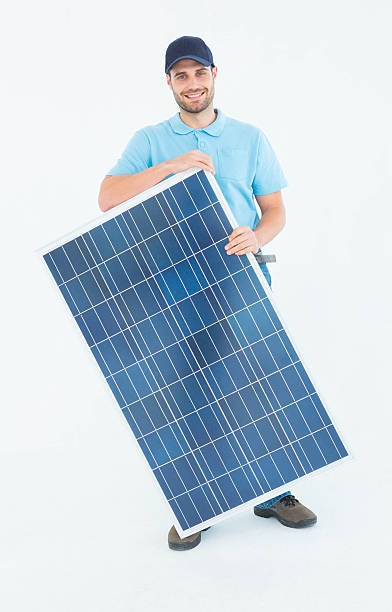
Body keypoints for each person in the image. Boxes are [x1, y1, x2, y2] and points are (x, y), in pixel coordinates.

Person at [98, 35, 317, 551]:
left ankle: (275, 492)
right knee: (186, 393)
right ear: (169, 82)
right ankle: (194, 503)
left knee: (256, 381)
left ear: (215, 75)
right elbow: (107, 197)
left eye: (200, 74)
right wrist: (171, 166)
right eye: (181, 76)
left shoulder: (250, 137)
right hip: (174, 282)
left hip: (242, 275)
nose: (192, 84)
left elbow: (275, 212)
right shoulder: (151, 139)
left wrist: (256, 237)